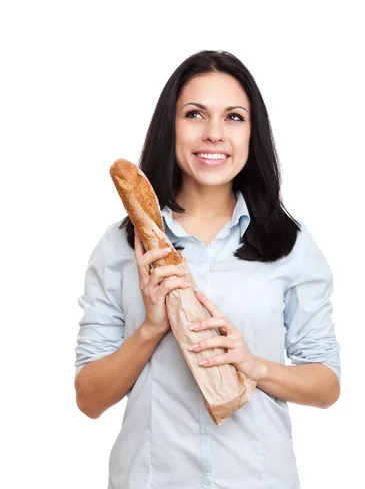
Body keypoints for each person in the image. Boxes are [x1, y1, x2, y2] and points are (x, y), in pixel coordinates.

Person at [74, 50, 341, 488]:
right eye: (195, 114)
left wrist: (255, 367)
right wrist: (150, 329)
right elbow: (89, 398)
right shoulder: (122, 247)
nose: (214, 134)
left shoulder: (290, 244)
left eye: (234, 117)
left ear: (252, 133)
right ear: (170, 128)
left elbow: (326, 384)